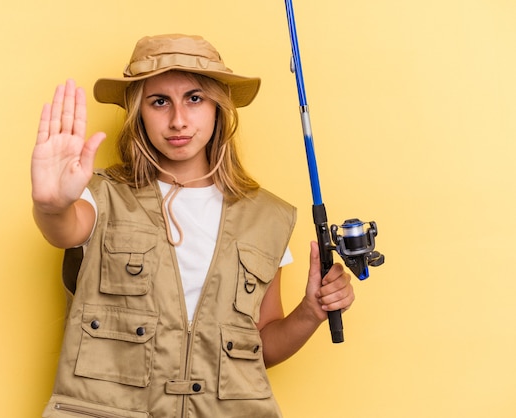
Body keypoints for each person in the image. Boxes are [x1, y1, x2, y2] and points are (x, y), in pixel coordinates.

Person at [32, 34, 354, 418]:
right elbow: (64, 228)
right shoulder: (100, 196)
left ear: (218, 108)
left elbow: (261, 348)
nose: (178, 120)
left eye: (195, 98)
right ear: (138, 112)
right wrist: (50, 205)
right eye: (159, 102)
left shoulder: (267, 217)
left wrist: (311, 311)